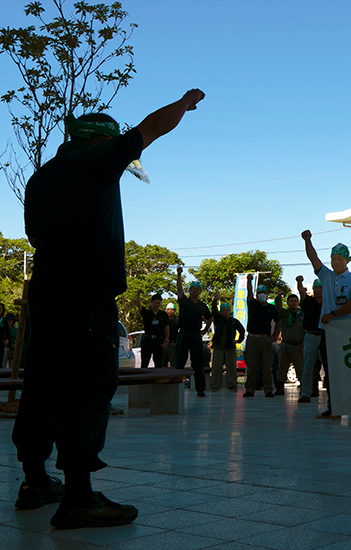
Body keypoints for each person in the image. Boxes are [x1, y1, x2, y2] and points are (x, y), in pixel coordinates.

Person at [12, 89, 204, 530]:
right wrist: (183, 102)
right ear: (98, 140)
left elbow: (36, 238)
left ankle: (35, 481)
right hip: (85, 294)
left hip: (44, 294)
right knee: (87, 385)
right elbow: (151, 128)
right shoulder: (95, 161)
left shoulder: (39, 179)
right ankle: (78, 497)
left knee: (42, 384)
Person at [300, 234, 351, 419]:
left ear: (347, 261)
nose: (336, 262)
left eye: (340, 259)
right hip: (328, 333)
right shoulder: (326, 276)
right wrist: (307, 241)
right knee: (331, 372)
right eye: (333, 259)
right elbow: (313, 258)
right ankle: (333, 407)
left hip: (347, 331)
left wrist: (334, 314)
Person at [175, 267, 213, 397]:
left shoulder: (202, 306)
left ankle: (200, 389)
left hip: (196, 335)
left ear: (200, 291)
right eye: (193, 288)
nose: (195, 291)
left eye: (198, 289)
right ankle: (176, 385)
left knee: (198, 362)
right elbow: (179, 288)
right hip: (183, 333)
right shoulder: (184, 301)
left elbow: (210, 317)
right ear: (190, 290)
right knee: (180, 360)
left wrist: (205, 330)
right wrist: (179, 274)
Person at [243, 277, 281, 398]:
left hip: (266, 339)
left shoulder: (271, 308)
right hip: (253, 338)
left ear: (267, 294)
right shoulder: (253, 304)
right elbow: (249, 293)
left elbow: (278, 321)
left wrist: (274, 335)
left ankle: (268, 390)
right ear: (257, 294)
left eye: (264, 293)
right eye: (260, 293)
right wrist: (249, 281)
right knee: (252, 365)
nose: (262, 295)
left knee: (266, 365)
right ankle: (249, 389)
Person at [297, 277, 325, 403]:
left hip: (325, 337)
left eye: (321, 287)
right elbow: (302, 293)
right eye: (316, 288)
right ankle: (305, 393)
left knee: (329, 367)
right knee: (308, 367)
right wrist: (299, 283)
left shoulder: (329, 302)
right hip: (310, 336)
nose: (318, 290)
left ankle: (332, 395)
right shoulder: (308, 301)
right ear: (313, 289)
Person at [210, 294, 245, 393]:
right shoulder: (218, 320)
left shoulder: (234, 321)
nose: (225, 312)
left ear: (230, 311)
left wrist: (238, 341)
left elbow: (242, 331)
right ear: (221, 312)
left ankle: (232, 386)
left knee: (232, 368)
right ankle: (215, 386)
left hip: (230, 348)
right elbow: (214, 311)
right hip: (218, 347)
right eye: (223, 310)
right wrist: (214, 301)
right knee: (216, 368)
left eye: (227, 310)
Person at [275, 288, 305, 395]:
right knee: (282, 367)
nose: (293, 303)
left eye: (295, 301)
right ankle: (279, 388)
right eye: (291, 301)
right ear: (287, 303)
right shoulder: (284, 314)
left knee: (300, 367)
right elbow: (278, 307)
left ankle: (303, 388)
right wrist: (279, 297)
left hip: (298, 345)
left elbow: (306, 329)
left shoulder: (302, 315)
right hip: (286, 344)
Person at [134, 290, 169, 369]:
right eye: (155, 302)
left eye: (159, 303)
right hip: (148, 339)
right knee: (145, 362)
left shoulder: (163, 314)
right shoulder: (146, 313)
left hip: (159, 340)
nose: (157, 305)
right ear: (152, 302)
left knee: (158, 363)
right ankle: (143, 379)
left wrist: (166, 340)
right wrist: (138, 294)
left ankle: (157, 380)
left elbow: (166, 327)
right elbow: (138, 305)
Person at [160, 303, 179, 368]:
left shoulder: (178, 320)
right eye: (168, 309)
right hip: (163, 343)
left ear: (175, 311)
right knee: (163, 364)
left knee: (174, 364)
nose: (170, 311)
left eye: (172, 309)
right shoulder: (162, 320)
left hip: (173, 343)